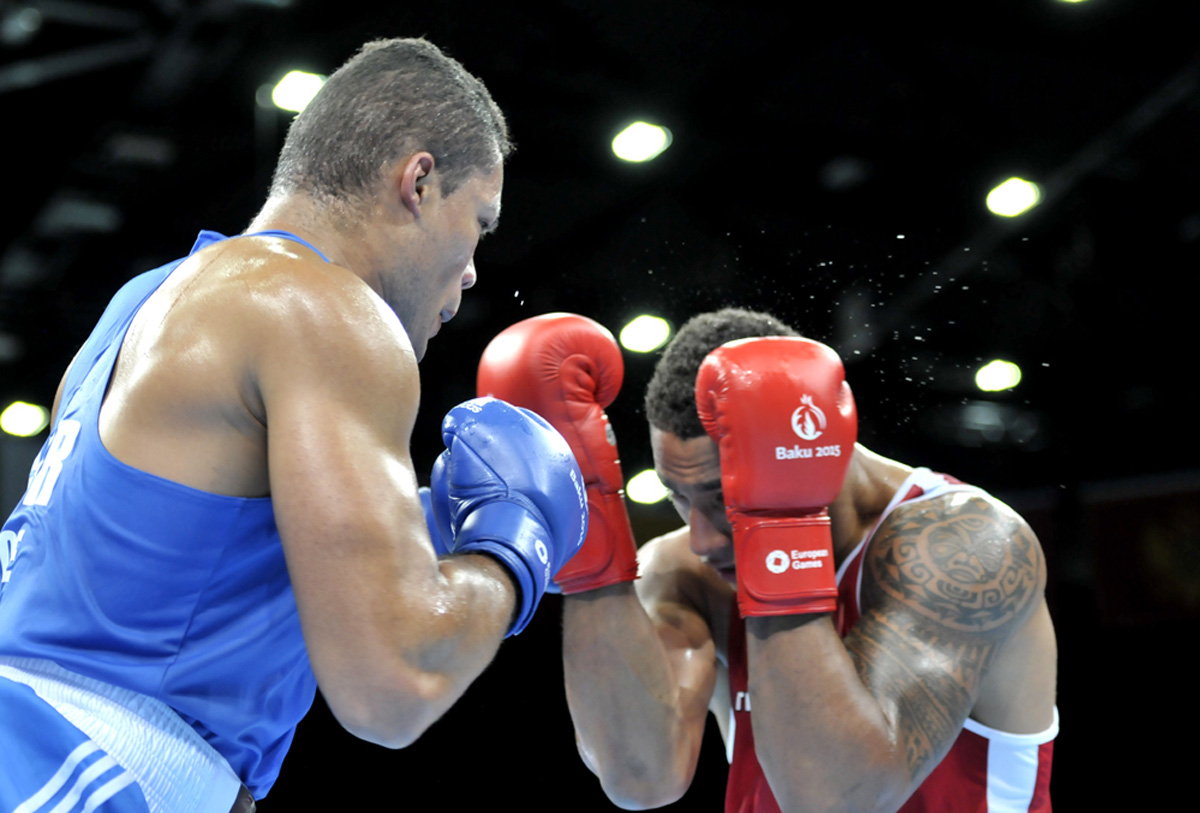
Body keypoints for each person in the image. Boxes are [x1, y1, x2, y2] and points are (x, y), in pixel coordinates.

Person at [0, 38, 586, 812]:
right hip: (83, 766)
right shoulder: (326, 308)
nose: (474, 268)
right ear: (418, 180)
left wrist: (408, 534)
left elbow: (160, 575)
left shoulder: (148, 297)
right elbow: (394, 685)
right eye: (479, 221)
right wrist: (509, 546)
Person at [479, 308, 1058, 813]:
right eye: (680, 499)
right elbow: (640, 778)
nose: (702, 539)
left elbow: (838, 799)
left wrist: (779, 534)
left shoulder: (967, 544)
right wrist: (590, 563)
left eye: (724, 501)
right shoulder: (683, 572)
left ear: (810, 453)